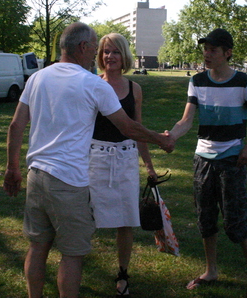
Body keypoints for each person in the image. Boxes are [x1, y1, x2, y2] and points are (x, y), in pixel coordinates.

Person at [3, 22, 174, 298]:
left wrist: (13, 169)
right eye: (96, 46)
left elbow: (15, 126)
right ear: (83, 47)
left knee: (37, 247)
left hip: (36, 176)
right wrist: (162, 139)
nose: (98, 52)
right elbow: (128, 128)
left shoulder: (37, 78)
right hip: (68, 182)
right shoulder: (93, 84)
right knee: (72, 255)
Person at [168, 28, 247, 298]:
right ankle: (211, 270)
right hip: (203, 158)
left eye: (213, 50)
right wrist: (171, 136)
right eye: (205, 49)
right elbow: (187, 119)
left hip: (232, 159)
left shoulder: (243, 82)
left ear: (228, 52)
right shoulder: (197, 81)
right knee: (206, 218)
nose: (207, 54)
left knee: (236, 220)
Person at [88, 33, 157, 297]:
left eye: (115, 52)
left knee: (126, 221)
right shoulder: (92, 85)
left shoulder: (134, 89)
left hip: (126, 159)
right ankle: (74, 264)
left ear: (124, 55)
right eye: (105, 52)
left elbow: (136, 130)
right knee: (85, 216)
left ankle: (123, 273)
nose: (109, 57)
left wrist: (149, 166)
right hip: (96, 159)